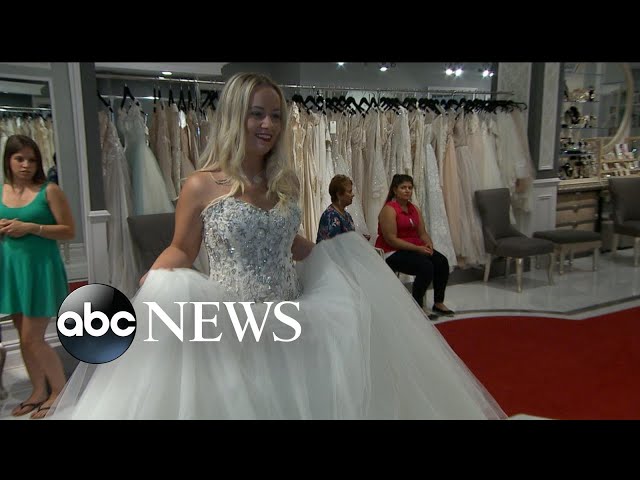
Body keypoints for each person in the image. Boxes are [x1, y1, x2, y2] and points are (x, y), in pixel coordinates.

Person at [49, 73, 505, 420]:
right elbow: (183, 248)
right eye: (256, 114)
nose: (268, 124)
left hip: (292, 313)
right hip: (233, 320)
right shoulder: (202, 184)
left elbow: (292, 242)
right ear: (235, 116)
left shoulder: (284, 181)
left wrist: (341, 257)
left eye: (275, 115)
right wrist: (156, 277)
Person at [0, 134, 74, 419]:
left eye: (31, 160)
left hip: (41, 269)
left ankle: (59, 390)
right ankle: (38, 390)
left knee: (33, 338)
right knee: (23, 336)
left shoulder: (49, 191)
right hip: (12, 270)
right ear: (8, 160)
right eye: (19, 159)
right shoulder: (2, 190)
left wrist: (32, 227)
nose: (25, 165)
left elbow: (69, 230)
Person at [375, 174, 455, 317]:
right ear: (395, 190)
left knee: (441, 261)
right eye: (403, 188)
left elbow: (422, 233)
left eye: (410, 188)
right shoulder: (389, 210)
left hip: (413, 248)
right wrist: (418, 248)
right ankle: (418, 306)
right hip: (392, 251)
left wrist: (429, 244)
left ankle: (438, 302)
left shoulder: (414, 209)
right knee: (426, 266)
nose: (407, 190)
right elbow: (391, 239)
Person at [316, 174, 367, 243]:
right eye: (349, 192)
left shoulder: (347, 215)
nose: (352, 194)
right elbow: (332, 246)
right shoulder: (330, 216)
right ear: (339, 194)